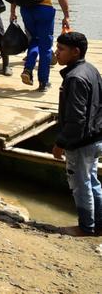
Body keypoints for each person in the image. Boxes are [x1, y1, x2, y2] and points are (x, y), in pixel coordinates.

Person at [52, 31, 102, 237]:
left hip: (80, 141)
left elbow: (76, 119)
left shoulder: (75, 78)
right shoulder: (90, 69)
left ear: (75, 52)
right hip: (95, 136)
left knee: (81, 185)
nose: (57, 53)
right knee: (92, 181)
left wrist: (60, 143)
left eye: (61, 49)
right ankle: (99, 224)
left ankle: (85, 227)